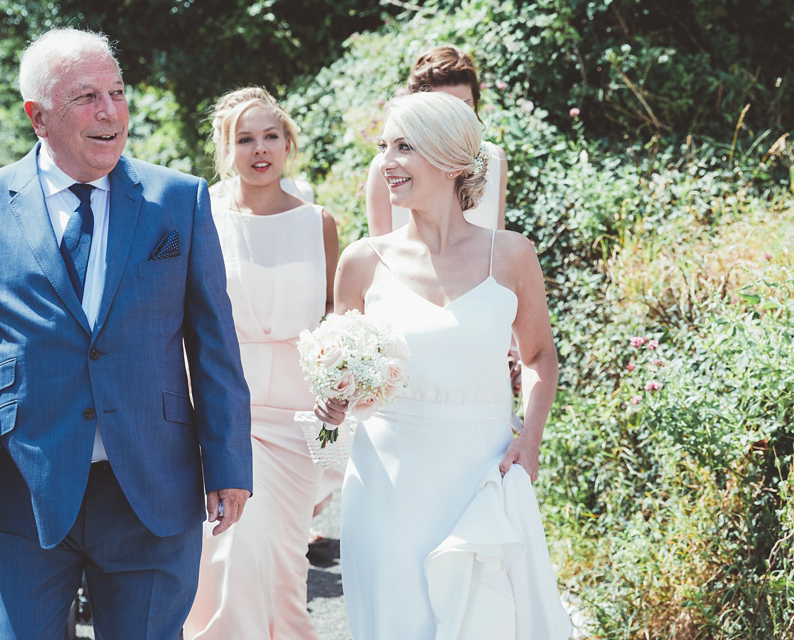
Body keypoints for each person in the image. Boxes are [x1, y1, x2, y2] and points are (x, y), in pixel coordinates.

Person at [0, 28, 253, 639]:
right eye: (86, 97)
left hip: (153, 489)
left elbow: (214, 345)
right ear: (37, 116)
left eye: (117, 93)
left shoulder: (179, 200)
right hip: (20, 493)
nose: (110, 112)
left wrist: (229, 462)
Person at [316, 91, 572, 638]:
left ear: (452, 159)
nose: (387, 162)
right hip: (386, 485)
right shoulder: (362, 262)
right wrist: (332, 400)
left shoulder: (512, 256)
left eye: (404, 147)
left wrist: (530, 437)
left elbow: (538, 355)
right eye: (385, 147)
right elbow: (339, 370)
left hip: (479, 476)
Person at [184, 87, 339, 639]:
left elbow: (333, 313)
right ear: (226, 149)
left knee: (286, 563)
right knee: (232, 553)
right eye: (244, 139)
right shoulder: (204, 214)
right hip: (227, 406)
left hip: (300, 416)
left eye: (270, 135)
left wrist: (341, 371)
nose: (259, 149)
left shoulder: (319, 222)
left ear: (288, 141)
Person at [365, 44, 509, 236]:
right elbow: (380, 251)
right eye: (440, 110)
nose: (453, 120)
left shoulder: (494, 158)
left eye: (462, 107)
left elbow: (497, 240)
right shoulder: (386, 168)